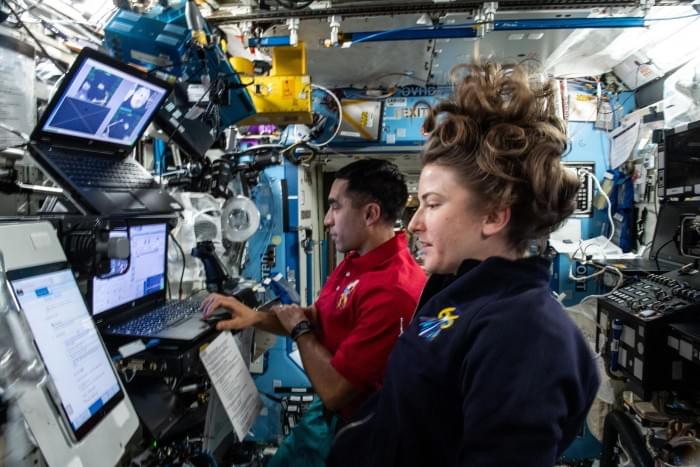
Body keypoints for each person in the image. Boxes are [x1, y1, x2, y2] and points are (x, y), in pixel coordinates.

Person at [327, 63, 600, 467]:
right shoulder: (464, 296)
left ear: (493, 216)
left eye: (433, 204)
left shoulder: (524, 334)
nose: (415, 223)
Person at [201, 158, 426, 465]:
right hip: (327, 415)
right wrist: (255, 317)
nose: (326, 220)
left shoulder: (393, 290)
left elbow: (334, 389)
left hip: (354, 431)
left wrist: (299, 331)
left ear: (370, 214)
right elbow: (318, 318)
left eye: (335, 207)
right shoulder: (355, 259)